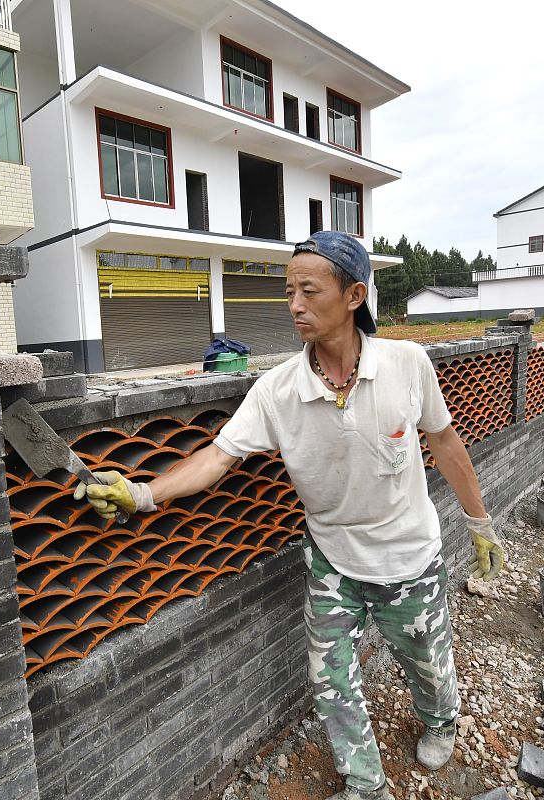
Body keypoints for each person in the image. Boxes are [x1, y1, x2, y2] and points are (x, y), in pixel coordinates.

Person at [74, 231, 506, 800]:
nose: (295, 305)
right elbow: (215, 458)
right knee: (330, 677)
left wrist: (479, 524)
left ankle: (440, 719)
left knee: (425, 661)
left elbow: (446, 445)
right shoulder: (276, 390)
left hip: (409, 558)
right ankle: (364, 782)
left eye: (309, 290)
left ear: (354, 296)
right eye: (289, 291)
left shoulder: (406, 364)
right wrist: (142, 493)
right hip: (332, 559)